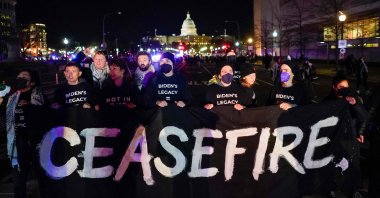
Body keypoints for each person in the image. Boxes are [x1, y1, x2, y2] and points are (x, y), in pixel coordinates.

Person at [1, 69, 47, 198]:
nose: (20, 78)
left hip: (37, 141)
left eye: (24, 76)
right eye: (19, 76)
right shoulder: (12, 97)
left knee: (42, 175)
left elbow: (44, 115)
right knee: (19, 177)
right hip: (18, 142)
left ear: (31, 82)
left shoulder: (38, 95)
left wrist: (30, 107)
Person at [323, 74, 368, 198]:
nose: (344, 89)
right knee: (333, 166)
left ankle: (353, 190)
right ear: (334, 87)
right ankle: (332, 189)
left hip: (350, 140)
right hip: (334, 140)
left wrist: (354, 104)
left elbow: (364, 117)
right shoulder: (327, 101)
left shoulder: (353, 99)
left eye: (346, 87)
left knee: (353, 167)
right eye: (341, 87)